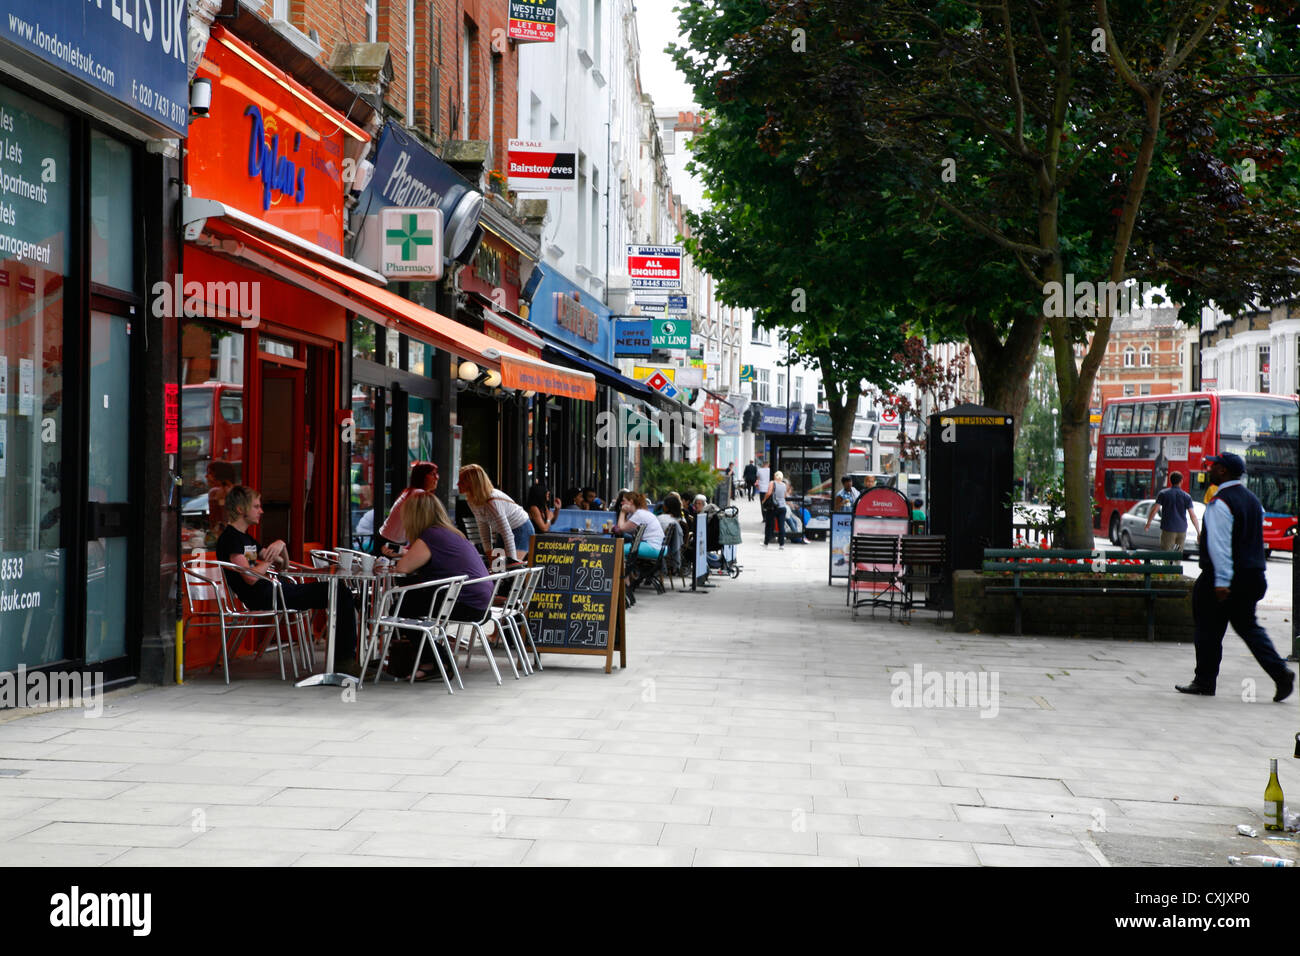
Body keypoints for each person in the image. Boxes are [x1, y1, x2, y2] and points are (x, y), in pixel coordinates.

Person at [1176, 453, 1294, 701]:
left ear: (1223, 471)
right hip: (1253, 575)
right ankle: (1280, 673)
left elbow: (1220, 546)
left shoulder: (1221, 503)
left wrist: (1221, 581)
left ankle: (1205, 681)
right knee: (1249, 628)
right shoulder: (1252, 500)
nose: (1210, 468)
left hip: (1224, 578)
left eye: (1215, 465)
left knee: (1208, 629)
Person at [216, 485, 358, 675]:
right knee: (339, 592)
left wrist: (281, 546)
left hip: (275, 591)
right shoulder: (231, 540)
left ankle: (345, 658)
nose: (261, 511)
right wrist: (269, 558)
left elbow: (283, 565)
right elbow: (250, 578)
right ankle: (343, 662)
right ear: (241, 510)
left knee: (340, 591)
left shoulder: (245, 538)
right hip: (263, 596)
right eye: (256, 506)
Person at [393, 489, 495, 680]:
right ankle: (431, 660)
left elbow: (403, 568)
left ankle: (438, 661)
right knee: (409, 604)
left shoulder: (431, 536)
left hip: (466, 604)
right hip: (480, 604)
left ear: (414, 516)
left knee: (400, 608)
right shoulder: (450, 533)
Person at [459, 464, 533, 565]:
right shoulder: (471, 500)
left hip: (521, 529)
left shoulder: (492, 500)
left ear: (472, 483)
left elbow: (508, 535)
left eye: (462, 481)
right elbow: (483, 527)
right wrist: (490, 555)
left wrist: (511, 563)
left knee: (508, 569)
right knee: (497, 568)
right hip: (504, 532)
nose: (458, 484)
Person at [377, 462, 438, 557]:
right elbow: (424, 526)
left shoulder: (410, 492)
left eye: (436, 474)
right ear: (422, 477)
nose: (436, 477)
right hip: (390, 544)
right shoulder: (418, 494)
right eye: (432, 474)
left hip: (387, 541)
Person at [1145, 471, 1200, 553]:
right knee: (1177, 554)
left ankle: (1169, 565)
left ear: (1170, 481)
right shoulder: (1186, 496)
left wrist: (1148, 523)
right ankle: (1176, 565)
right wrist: (1198, 531)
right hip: (1181, 531)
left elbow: (1154, 510)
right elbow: (1193, 515)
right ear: (1181, 481)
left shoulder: (1163, 494)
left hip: (1168, 530)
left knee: (1167, 554)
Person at [763, 470, 790, 548]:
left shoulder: (772, 483)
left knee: (769, 525)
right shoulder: (784, 485)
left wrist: (764, 500)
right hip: (782, 507)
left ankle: (766, 542)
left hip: (773, 507)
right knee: (781, 526)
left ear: (775, 476)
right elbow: (785, 496)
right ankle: (781, 544)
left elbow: (768, 493)